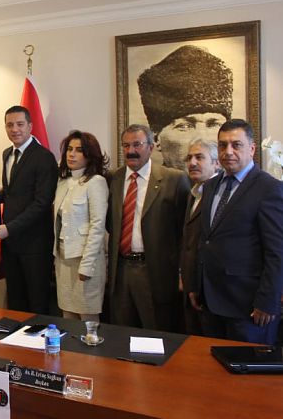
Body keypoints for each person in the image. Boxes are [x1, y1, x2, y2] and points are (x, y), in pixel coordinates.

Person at [196, 119, 283, 344]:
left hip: (248, 307)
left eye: (236, 145)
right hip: (210, 302)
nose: (228, 152)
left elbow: (277, 252)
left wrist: (267, 301)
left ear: (252, 149)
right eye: (222, 145)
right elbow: (206, 239)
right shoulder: (211, 186)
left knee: (247, 367)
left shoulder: (269, 188)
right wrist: (196, 285)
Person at [108, 124, 190, 331]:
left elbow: (185, 232)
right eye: (126, 145)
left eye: (137, 144)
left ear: (151, 147)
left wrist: (182, 272)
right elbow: (110, 222)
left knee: (156, 333)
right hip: (121, 270)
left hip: (155, 272)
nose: (130, 151)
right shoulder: (113, 178)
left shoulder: (174, 179)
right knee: (121, 334)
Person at [0, 105, 58, 314]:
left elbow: (42, 203)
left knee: (37, 303)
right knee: (16, 302)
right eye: (10, 125)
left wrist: (10, 228)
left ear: (30, 126)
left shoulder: (44, 157)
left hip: (35, 245)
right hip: (11, 244)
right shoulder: (7, 154)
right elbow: (14, 192)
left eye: (20, 124)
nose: (15, 129)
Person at [138, 45, 233, 171]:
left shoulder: (236, 183)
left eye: (214, 125)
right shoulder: (149, 184)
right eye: (185, 126)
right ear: (156, 138)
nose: (201, 139)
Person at [53, 130, 109, 322]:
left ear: (89, 155)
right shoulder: (63, 182)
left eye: (79, 150)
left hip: (85, 261)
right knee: (68, 318)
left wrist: (87, 265)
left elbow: (97, 226)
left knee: (87, 320)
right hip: (63, 259)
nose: (72, 154)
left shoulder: (96, 182)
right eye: (69, 149)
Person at [179, 138, 220, 335]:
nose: (192, 163)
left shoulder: (220, 196)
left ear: (216, 163)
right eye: (189, 158)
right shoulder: (194, 193)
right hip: (191, 288)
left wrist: (198, 286)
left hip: (210, 292)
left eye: (199, 157)